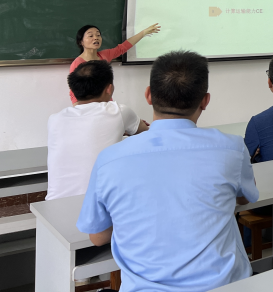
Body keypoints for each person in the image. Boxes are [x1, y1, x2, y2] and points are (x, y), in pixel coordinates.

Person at [77, 50, 258, 292]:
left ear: (148, 95)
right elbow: (245, 198)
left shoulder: (109, 159)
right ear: (205, 101)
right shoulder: (232, 148)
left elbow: (98, 236)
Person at [46, 61, 148, 200]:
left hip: (55, 204)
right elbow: (145, 131)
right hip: (97, 204)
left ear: (73, 90)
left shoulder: (55, 119)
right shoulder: (118, 111)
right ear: (109, 89)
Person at [68, 23, 161, 104]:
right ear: (81, 42)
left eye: (98, 35)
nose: (96, 38)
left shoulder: (104, 55)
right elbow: (73, 91)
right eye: (90, 36)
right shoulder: (77, 63)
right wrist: (78, 109)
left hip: (107, 104)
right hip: (88, 107)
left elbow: (123, 47)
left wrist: (143, 33)